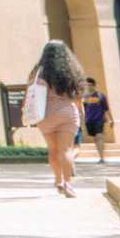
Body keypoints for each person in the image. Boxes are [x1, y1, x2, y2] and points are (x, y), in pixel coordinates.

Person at [24, 39, 86, 197]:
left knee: (53, 150)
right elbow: (78, 96)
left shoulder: (38, 72)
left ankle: (58, 181)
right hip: (68, 113)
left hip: (45, 115)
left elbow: (31, 92)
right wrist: (81, 112)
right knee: (66, 150)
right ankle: (68, 185)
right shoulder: (72, 71)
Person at [77, 79, 112, 166]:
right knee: (96, 139)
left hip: (99, 119)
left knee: (99, 136)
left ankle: (102, 158)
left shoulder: (101, 96)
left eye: (89, 85)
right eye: (86, 85)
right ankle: (100, 156)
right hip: (89, 120)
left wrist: (111, 119)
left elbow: (106, 109)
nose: (87, 86)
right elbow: (82, 109)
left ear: (93, 85)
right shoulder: (84, 97)